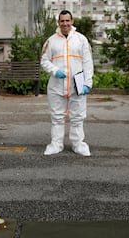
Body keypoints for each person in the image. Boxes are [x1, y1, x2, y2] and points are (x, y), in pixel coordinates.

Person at [41, 10, 94, 156]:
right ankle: (56, 144)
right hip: (56, 85)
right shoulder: (51, 41)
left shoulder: (81, 39)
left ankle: (78, 144)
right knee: (57, 116)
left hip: (77, 83)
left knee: (77, 116)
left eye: (67, 21)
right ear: (58, 23)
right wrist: (54, 70)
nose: (65, 24)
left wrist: (87, 83)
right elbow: (44, 61)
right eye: (62, 21)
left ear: (72, 21)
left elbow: (88, 62)